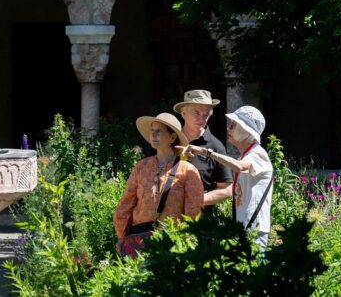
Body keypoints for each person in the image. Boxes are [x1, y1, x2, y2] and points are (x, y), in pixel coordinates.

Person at [181, 106, 273, 251]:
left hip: (254, 229)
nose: (228, 128)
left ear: (246, 130)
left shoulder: (257, 154)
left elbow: (239, 166)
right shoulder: (246, 155)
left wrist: (206, 152)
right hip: (244, 228)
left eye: (233, 125)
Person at [114, 112, 204, 254]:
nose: (153, 135)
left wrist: (188, 241)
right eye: (152, 131)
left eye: (159, 131)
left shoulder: (188, 171)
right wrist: (121, 236)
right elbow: (126, 202)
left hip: (172, 242)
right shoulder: (141, 166)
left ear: (173, 137)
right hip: (139, 239)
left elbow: (194, 212)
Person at [173, 90, 232, 212]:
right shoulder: (171, 140)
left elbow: (226, 189)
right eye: (197, 113)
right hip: (166, 219)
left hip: (199, 222)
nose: (202, 119)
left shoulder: (215, 147)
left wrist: (196, 200)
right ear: (183, 113)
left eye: (206, 115)